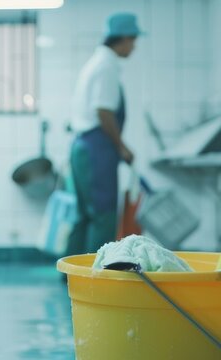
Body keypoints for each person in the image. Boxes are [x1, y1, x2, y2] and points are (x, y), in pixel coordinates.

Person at [67, 13, 143, 255]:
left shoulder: (96, 63)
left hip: (84, 146)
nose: (134, 46)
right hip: (96, 149)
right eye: (133, 40)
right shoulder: (106, 66)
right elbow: (103, 111)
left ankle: (70, 276)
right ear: (123, 39)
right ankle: (95, 278)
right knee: (103, 215)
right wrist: (121, 147)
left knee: (85, 216)